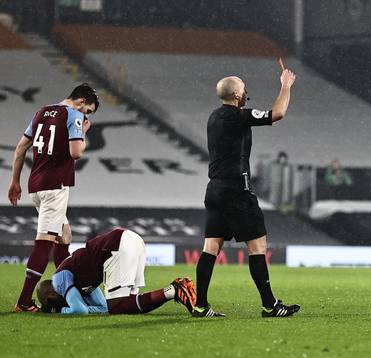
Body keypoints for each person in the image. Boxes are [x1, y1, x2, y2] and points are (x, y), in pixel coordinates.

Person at [194, 68, 300, 318]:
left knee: (211, 247)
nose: (246, 93)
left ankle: (200, 305)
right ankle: (270, 305)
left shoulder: (214, 117)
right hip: (236, 190)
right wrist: (285, 86)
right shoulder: (237, 116)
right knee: (258, 246)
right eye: (243, 89)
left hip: (215, 189)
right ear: (235, 94)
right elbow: (278, 113)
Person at [8, 83, 99, 312]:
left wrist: (15, 181)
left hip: (35, 185)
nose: (86, 116)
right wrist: (84, 133)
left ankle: (67, 287)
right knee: (44, 241)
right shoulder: (74, 115)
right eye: (88, 111)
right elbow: (76, 153)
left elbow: (20, 149)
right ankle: (24, 301)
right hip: (54, 185)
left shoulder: (42, 112)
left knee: (64, 236)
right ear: (81, 102)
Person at [35, 228, 197, 314]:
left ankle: (174, 290)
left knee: (116, 307)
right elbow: (103, 308)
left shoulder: (59, 280)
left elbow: (80, 310)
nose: (52, 305)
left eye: (49, 304)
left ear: (50, 295)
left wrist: (60, 311)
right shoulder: (79, 280)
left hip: (116, 246)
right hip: (132, 240)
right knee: (128, 306)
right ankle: (174, 291)